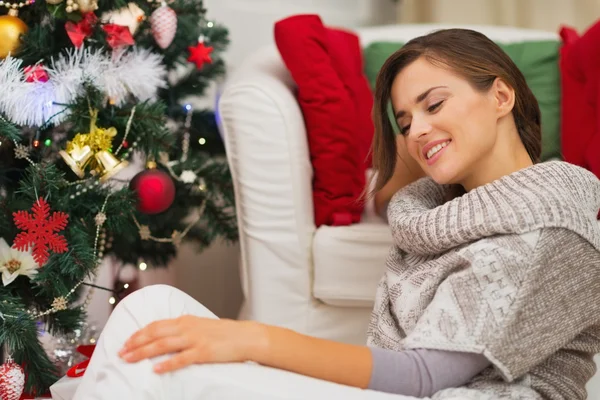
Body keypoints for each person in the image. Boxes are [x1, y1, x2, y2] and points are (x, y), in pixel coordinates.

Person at [71, 29, 600, 400]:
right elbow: (394, 197)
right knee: (156, 307)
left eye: (434, 104)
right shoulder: (451, 213)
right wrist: (432, 142)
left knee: (152, 342)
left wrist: (252, 337)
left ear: (502, 95)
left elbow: (423, 374)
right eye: (405, 119)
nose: (416, 130)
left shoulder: (546, 220)